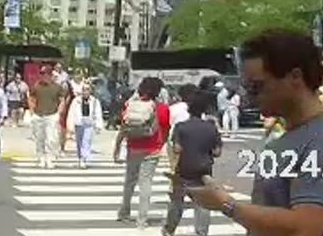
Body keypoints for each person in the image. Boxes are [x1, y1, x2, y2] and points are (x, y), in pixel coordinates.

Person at [185, 30, 323, 234]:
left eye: (257, 86)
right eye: (247, 87)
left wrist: (227, 204)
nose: (249, 96)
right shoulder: (291, 136)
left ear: (295, 77)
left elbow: (307, 226)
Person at [116, 76, 171, 228]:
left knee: (129, 182)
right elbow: (165, 129)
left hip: (133, 147)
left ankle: (124, 213)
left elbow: (123, 127)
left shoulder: (130, 105)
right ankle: (141, 220)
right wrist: (162, 144)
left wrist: (117, 146)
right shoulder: (161, 108)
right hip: (152, 150)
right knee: (145, 184)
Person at [164, 91, 221, 236]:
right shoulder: (211, 127)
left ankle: (169, 230)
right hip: (204, 170)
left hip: (183, 169)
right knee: (202, 204)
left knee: (176, 203)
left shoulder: (181, 127)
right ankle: (201, 232)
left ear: (189, 109)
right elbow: (217, 152)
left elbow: (177, 149)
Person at [29, 63, 66, 168]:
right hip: (38, 115)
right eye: (41, 73)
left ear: (49, 75)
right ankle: (41, 158)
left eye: (44, 73)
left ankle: (49, 158)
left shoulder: (57, 87)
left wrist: (59, 113)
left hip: (51, 115)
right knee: (39, 138)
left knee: (51, 139)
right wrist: (32, 111)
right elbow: (31, 97)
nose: (42, 75)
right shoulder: (36, 86)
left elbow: (62, 100)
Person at [67, 81, 105, 168]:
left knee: (86, 141)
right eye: (83, 89)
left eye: (87, 89)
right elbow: (71, 113)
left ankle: (83, 158)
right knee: (79, 142)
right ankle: (80, 157)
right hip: (79, 123)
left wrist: (99, 125)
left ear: (90, 91)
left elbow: (98, 113)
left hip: (89, 124)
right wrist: (70, 126)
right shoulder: (76, 101)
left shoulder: (95, 101)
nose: (85, 92)